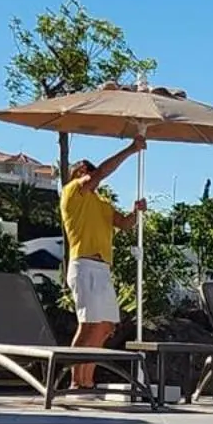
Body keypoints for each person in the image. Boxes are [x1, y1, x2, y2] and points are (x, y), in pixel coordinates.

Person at [58, 140, 147, 390]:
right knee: (88, 324)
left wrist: (136, 212)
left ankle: (88, 378)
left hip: (102, 268)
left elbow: (125, 224)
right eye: (82, 169)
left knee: (106, 325)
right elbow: (101, 174)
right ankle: (77, 381)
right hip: (84, 264)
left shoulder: (102, 205)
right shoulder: (71, 193)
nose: (86, 171)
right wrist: (131, 149)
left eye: (89, 168)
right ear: (75, 175)